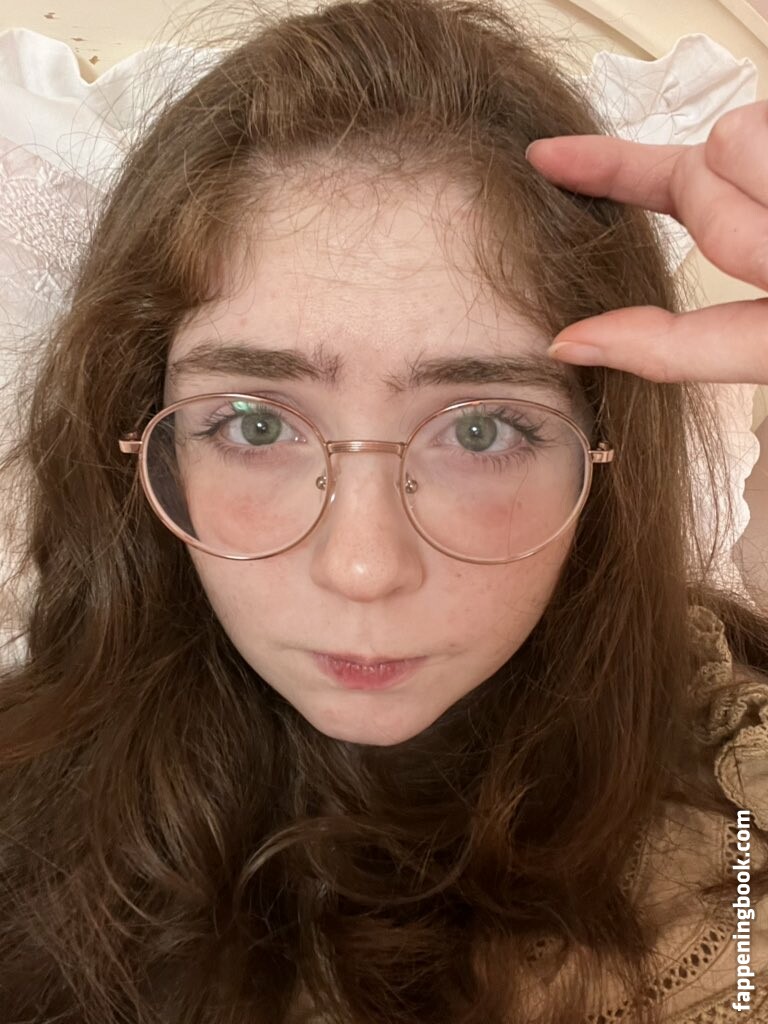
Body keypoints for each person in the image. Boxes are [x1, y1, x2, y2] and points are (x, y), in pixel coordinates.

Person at [1, 0, 768, 1020]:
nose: (363, 569)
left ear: (603, 445)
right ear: (145, 432)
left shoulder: (736, 792)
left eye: (482, 430)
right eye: (255, 424)